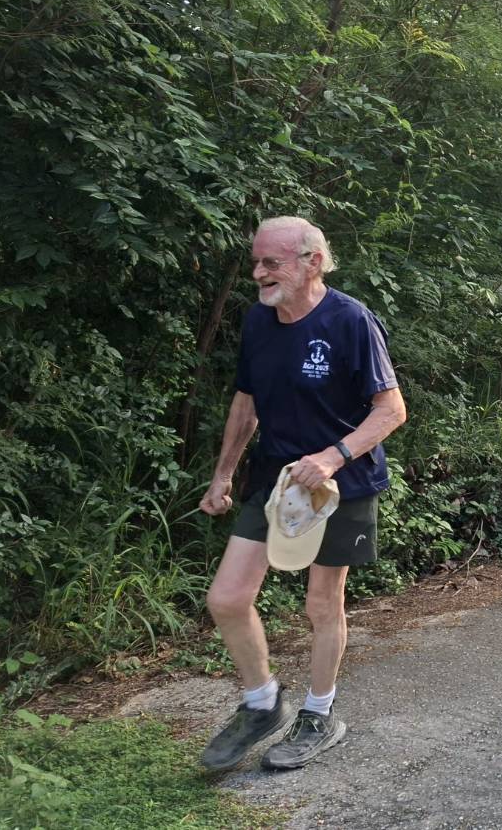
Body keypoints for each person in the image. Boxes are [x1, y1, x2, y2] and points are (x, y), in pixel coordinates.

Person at [198, 216, 407, 772]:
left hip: (342, 485)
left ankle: (319, 713)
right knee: (227, 598)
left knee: (321, 603)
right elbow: (246, 402)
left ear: (312, 262)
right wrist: (223, 474)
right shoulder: (258, 320)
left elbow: (391, 410)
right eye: (256, 262)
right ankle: (262, 703)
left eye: (272, 262)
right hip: (275, 481)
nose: (258, 273)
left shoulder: (351, 320)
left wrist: (333, 455)